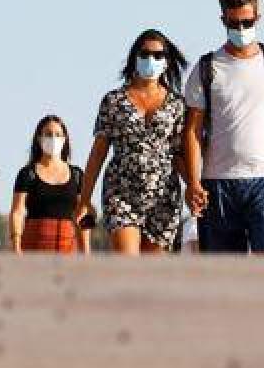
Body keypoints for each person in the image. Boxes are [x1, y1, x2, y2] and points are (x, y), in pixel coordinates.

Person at [182, 0, 264, 255]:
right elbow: (191, 132)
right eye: (234, 23)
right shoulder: (206, 68)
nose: (241, 30)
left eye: (247, 22)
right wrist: (193, 183)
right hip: (218, 183)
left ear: (258, 18)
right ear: (223, 20)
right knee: (224, 275)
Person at [77, 30, 188, 255]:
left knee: (151, 273)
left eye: (158, 55)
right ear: (134, 58)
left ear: (166, 62)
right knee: (128, 261)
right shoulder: (113, 101)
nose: (151, 60)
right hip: (121, 191)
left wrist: (195, 186)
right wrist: (84, 199)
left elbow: (178, 154)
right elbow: (98, 153)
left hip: (163, 195)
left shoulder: (177, 104)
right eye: (145, 54)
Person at [9, 116, 91, 254]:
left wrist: (87, 250)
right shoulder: (27, 173)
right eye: (48, 134)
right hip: (33, 247)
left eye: (58, 135)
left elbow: (83, 213)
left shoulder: (77, 174)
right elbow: (17, 212)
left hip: (68, 247)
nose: (53, 138)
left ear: (65, 140)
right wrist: (16, 246)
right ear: (39, 138)